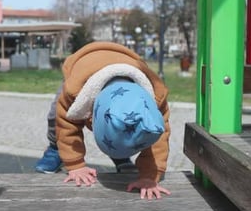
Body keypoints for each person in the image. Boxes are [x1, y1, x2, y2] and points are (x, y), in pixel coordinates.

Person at [36, 42, 171, 199]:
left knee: (123, 127)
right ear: (91, 117)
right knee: (55, 117)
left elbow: (159, 136)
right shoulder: (73, 90)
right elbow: (66, 125)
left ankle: (120, 154)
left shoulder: (156, 97)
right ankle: (54, 149)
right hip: (82, 67)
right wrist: (75, 165)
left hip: (126, 62)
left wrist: (149, 175)